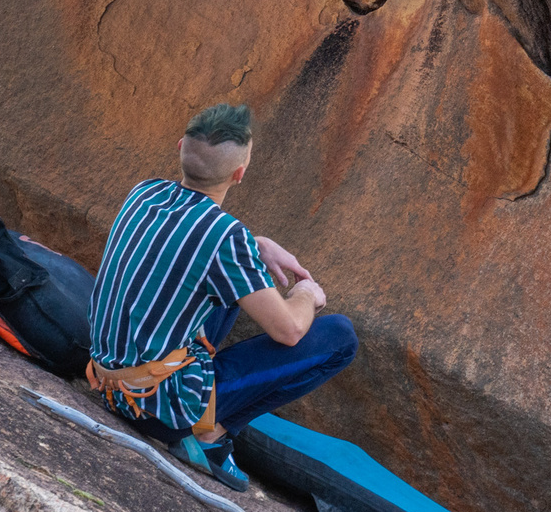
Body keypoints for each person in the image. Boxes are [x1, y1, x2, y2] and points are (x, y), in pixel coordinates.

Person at [85, 104, 356, 489]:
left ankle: (206, 423)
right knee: (341, 337)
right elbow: (290, 331)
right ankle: (211, 434)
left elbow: (195, 249)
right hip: (155, 407)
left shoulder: (145, 192)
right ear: (239, 174)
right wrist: (306, 294)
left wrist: (256, 244)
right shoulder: (224, 239)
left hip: (105, 378)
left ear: (181, 147)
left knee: (231, 286)